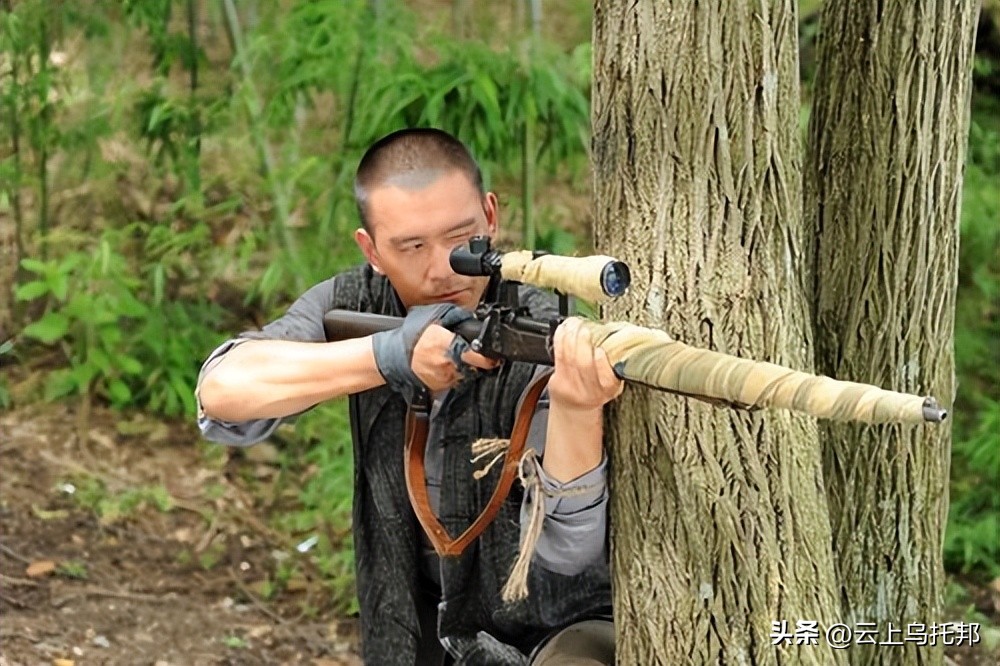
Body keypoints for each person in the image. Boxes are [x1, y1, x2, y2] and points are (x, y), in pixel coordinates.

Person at [196, 128, 620, 665]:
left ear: (491, 216)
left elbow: (567, 557)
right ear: (371, 249)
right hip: (407, 628)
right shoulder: (354, 300)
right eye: (412, 246)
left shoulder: (540, 324)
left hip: (547, 637)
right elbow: (223, 393)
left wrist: (577, 410)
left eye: (461, 238)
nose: (442, 267)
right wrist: (388, 354)